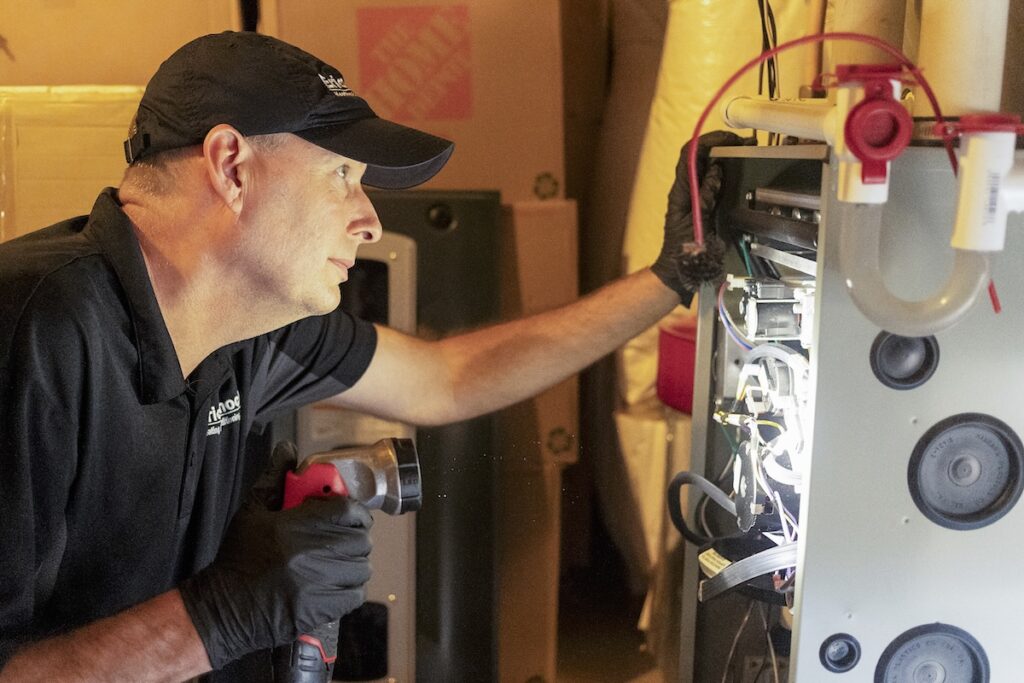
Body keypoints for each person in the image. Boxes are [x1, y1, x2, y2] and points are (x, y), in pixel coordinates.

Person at [0, 31, 734, 682]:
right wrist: (217, 618)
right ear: (231, 166)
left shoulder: (250, 330)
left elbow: (446, 380)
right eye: (341, 176)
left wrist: (670, 279)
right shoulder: (31, 332)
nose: (370, 219)